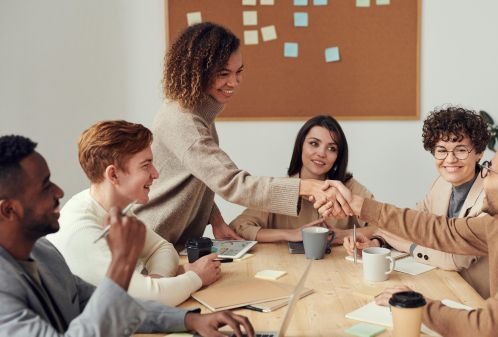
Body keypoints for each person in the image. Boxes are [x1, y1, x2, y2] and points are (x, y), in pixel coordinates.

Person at [321, 133, 498, 336]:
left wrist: (417, 304)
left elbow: (488, 326)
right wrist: (361, 206)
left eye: (489, 170)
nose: (482, 175)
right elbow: (439, 229)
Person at [0, 135, 254, 337]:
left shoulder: (43, 252)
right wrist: (122, 263)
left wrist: (190, 319)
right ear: (8, 209)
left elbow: (110, 303)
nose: (59, 191)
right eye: (45, 186)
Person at [134, 22, 351, 250]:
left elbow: (203, 177)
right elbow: (233, 183)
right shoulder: (185, 121)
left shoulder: (197, 114)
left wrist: (215, 220)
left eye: (239, 72)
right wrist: (305, 187)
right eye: (223, 73)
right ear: (197, 71)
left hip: (169, 243)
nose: (234, 82)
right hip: (150, 242)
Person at [48, 121, 220, 306]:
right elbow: (147, 301)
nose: (155, 174)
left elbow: (162, 249)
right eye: (146, 165)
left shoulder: (112, 208)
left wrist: (156, 282)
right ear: (113, 175)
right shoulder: (81, 231)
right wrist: (195, 277)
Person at [344, 106, 491, 297]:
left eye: (461, 150)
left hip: (476, 297)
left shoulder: (491, 195)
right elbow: (411, 226)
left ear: (479, 152)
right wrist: (377, 242)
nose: (450, 159)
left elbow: (455, 259)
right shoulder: (441, 184)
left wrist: (409, 246)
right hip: (441, 284)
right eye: (441, 150)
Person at [230, 115, 373, 243]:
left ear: (338, 157)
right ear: (300, 146)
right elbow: (238, 227)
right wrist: (289, 234)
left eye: (332, 148)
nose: (321, 153)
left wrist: (343, 235)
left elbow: (385, 228)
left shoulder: (350, 188)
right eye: (314, 143)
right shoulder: (281, 189)